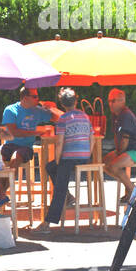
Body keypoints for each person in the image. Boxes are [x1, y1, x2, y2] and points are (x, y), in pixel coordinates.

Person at [33, 88, 92, 232]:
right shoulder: (85, 116)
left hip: (69, 158)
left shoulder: (63, 119)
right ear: (76, 101)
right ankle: (68, 196)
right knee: (51, 167)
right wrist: (87, 155)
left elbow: (59, 143)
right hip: (84, 157)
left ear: (61, 104)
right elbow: (92, 139)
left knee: (59, 184)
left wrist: (58, 160)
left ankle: (48, 223)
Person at [0, 86, 53, 206]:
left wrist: (52, 108)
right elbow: (14, 133)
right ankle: (1, 193)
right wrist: (37, 132)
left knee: (15, 158)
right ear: (25, 98)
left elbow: (59, 119)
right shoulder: (11, 110)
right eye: (35, 96)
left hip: (26, 147)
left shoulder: (37, 110)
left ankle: (1, 193)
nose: (38, 99)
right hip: (10, 144)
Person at [103, 87, 136, 204]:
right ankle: (129, 188)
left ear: (122, 101)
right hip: (127, 149)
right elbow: (116, 135)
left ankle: (133, 192)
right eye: (109, 101)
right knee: (104, 163)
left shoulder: (125, 115)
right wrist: (117, 152)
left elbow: (125, 140)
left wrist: (119, 153)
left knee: (113, 166)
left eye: (113, 101)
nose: (110, 104)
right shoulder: (116, 115)